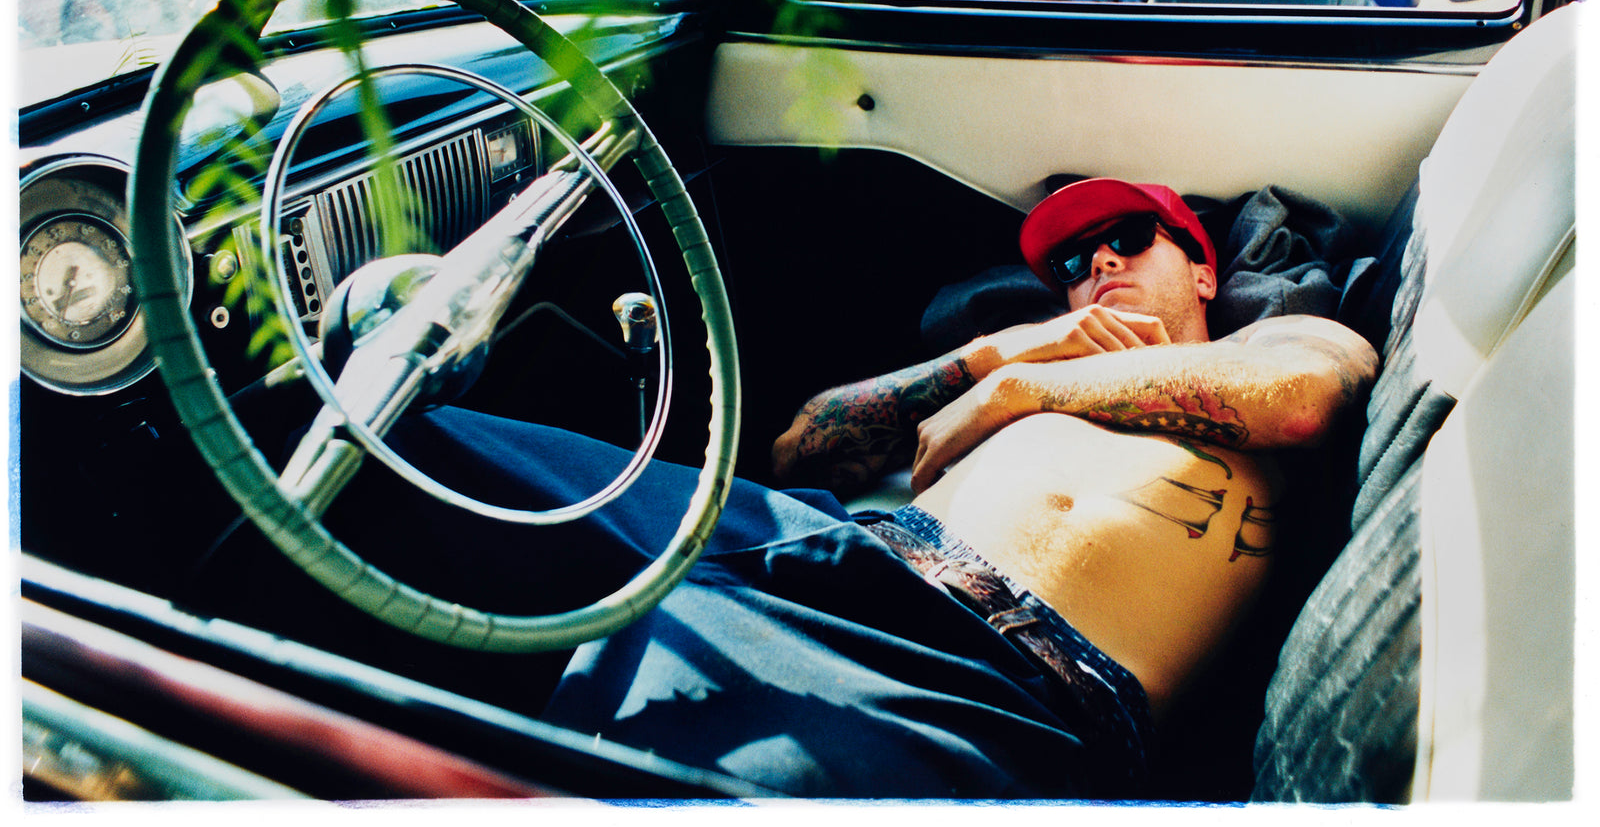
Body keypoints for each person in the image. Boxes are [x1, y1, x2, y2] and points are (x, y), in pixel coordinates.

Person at [363, 178, 1377, 799]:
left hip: (987, 669)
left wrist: (1027, 387)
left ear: (1202, 272)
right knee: (406, 450)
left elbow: (1298, 401)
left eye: (1129, 241)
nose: (1096, 263)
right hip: (818, 544)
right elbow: (799, 446)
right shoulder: (1007, 368)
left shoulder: (1277, 335)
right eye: (1071, 261)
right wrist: (991, 352)